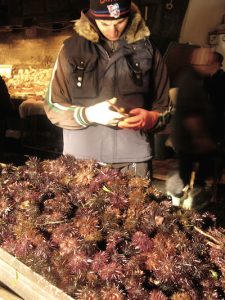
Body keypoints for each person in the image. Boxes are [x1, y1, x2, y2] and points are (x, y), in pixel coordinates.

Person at [44, 0, 171, 178]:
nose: (113, 31)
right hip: (82, 162)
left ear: (130, 16)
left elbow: (166, 109)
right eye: (105, 24)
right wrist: (89, 114)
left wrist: (153, 118)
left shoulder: (150, 51)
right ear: (92, 17)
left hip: (134, 162)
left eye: (120, 22)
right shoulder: (70, 50)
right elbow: (52, 106)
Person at [167, 48, 224, 207]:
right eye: (210, 62)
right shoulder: (190, 80)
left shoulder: (194, 77)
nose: (213, 66)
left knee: (186, 167)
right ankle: (185, 199)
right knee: (189, 168)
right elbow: (190, 114)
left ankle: (184, 197)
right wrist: (201, 138)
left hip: (188, 138)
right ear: (202, 62)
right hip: (190, 138)